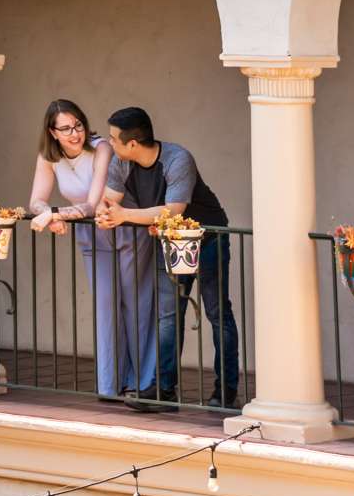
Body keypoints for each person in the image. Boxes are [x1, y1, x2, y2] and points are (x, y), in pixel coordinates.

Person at [97, 106, 240, 408]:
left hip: (208, 237)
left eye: (113, 139)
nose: (109, 144)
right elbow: (110, 202)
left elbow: (174, 210)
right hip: (170, 239)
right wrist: (107, 213)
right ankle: (164, 390)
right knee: (167, 314)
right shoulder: (120, 163)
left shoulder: (177, 159)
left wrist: (128, 216)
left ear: (132, 143)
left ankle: (224, 393)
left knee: (216, 313)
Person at [24, 98, 134, 403]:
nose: (75, 133)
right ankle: (110, 385)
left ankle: (139, 382)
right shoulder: (49, 157)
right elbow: (36, 201)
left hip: (120, 229)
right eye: (66, 128)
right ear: (52, 132)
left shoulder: (101, 149)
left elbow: (92, 204)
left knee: (133, 304)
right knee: (106, 304)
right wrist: (47, 215)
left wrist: (56, 215)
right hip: (91, 237)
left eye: (78, 125)